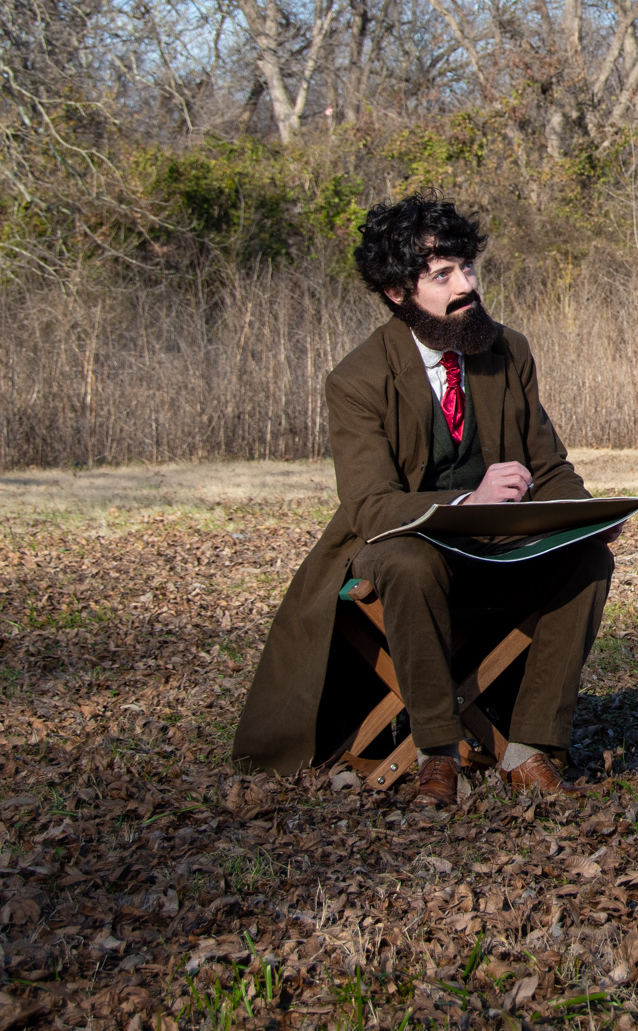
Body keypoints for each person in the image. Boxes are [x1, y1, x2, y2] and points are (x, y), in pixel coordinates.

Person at [233, 196, 611, 807]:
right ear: (395, 293)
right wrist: (470, 499)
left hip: (499, 553)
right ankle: (437, 754)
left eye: (467, 267)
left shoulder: (507, 351)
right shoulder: (356, 380)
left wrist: (581, 519)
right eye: (443, 275)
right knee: (412, 561)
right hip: (400, 552)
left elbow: (550, 466)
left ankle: (530, 747)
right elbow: (371, 507)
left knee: (588, 562)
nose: (467, 285)